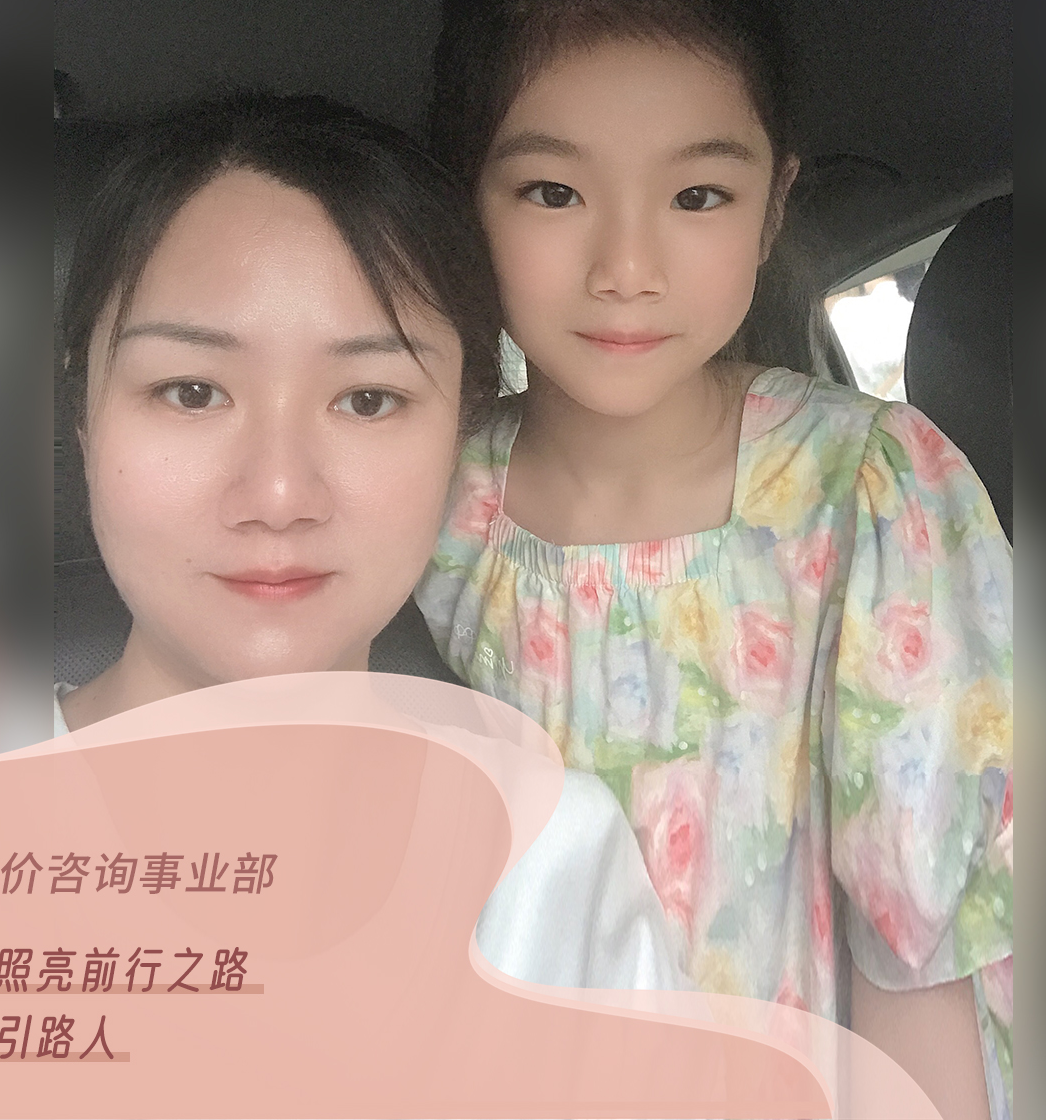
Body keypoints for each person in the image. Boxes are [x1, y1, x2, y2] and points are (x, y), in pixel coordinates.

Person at [417, 0, 1013, 1119]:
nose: (625, 267)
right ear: (463, 201)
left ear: (772, 203)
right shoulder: (426, 495)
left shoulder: (866, 490)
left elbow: (918, 950)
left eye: (696, 194)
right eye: (550, 190)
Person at [56, 92, 686, 992]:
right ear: (83, 417)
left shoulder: (548, 860)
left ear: (460, 431)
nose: (279, 495)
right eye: (192, 392)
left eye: (367, 399)